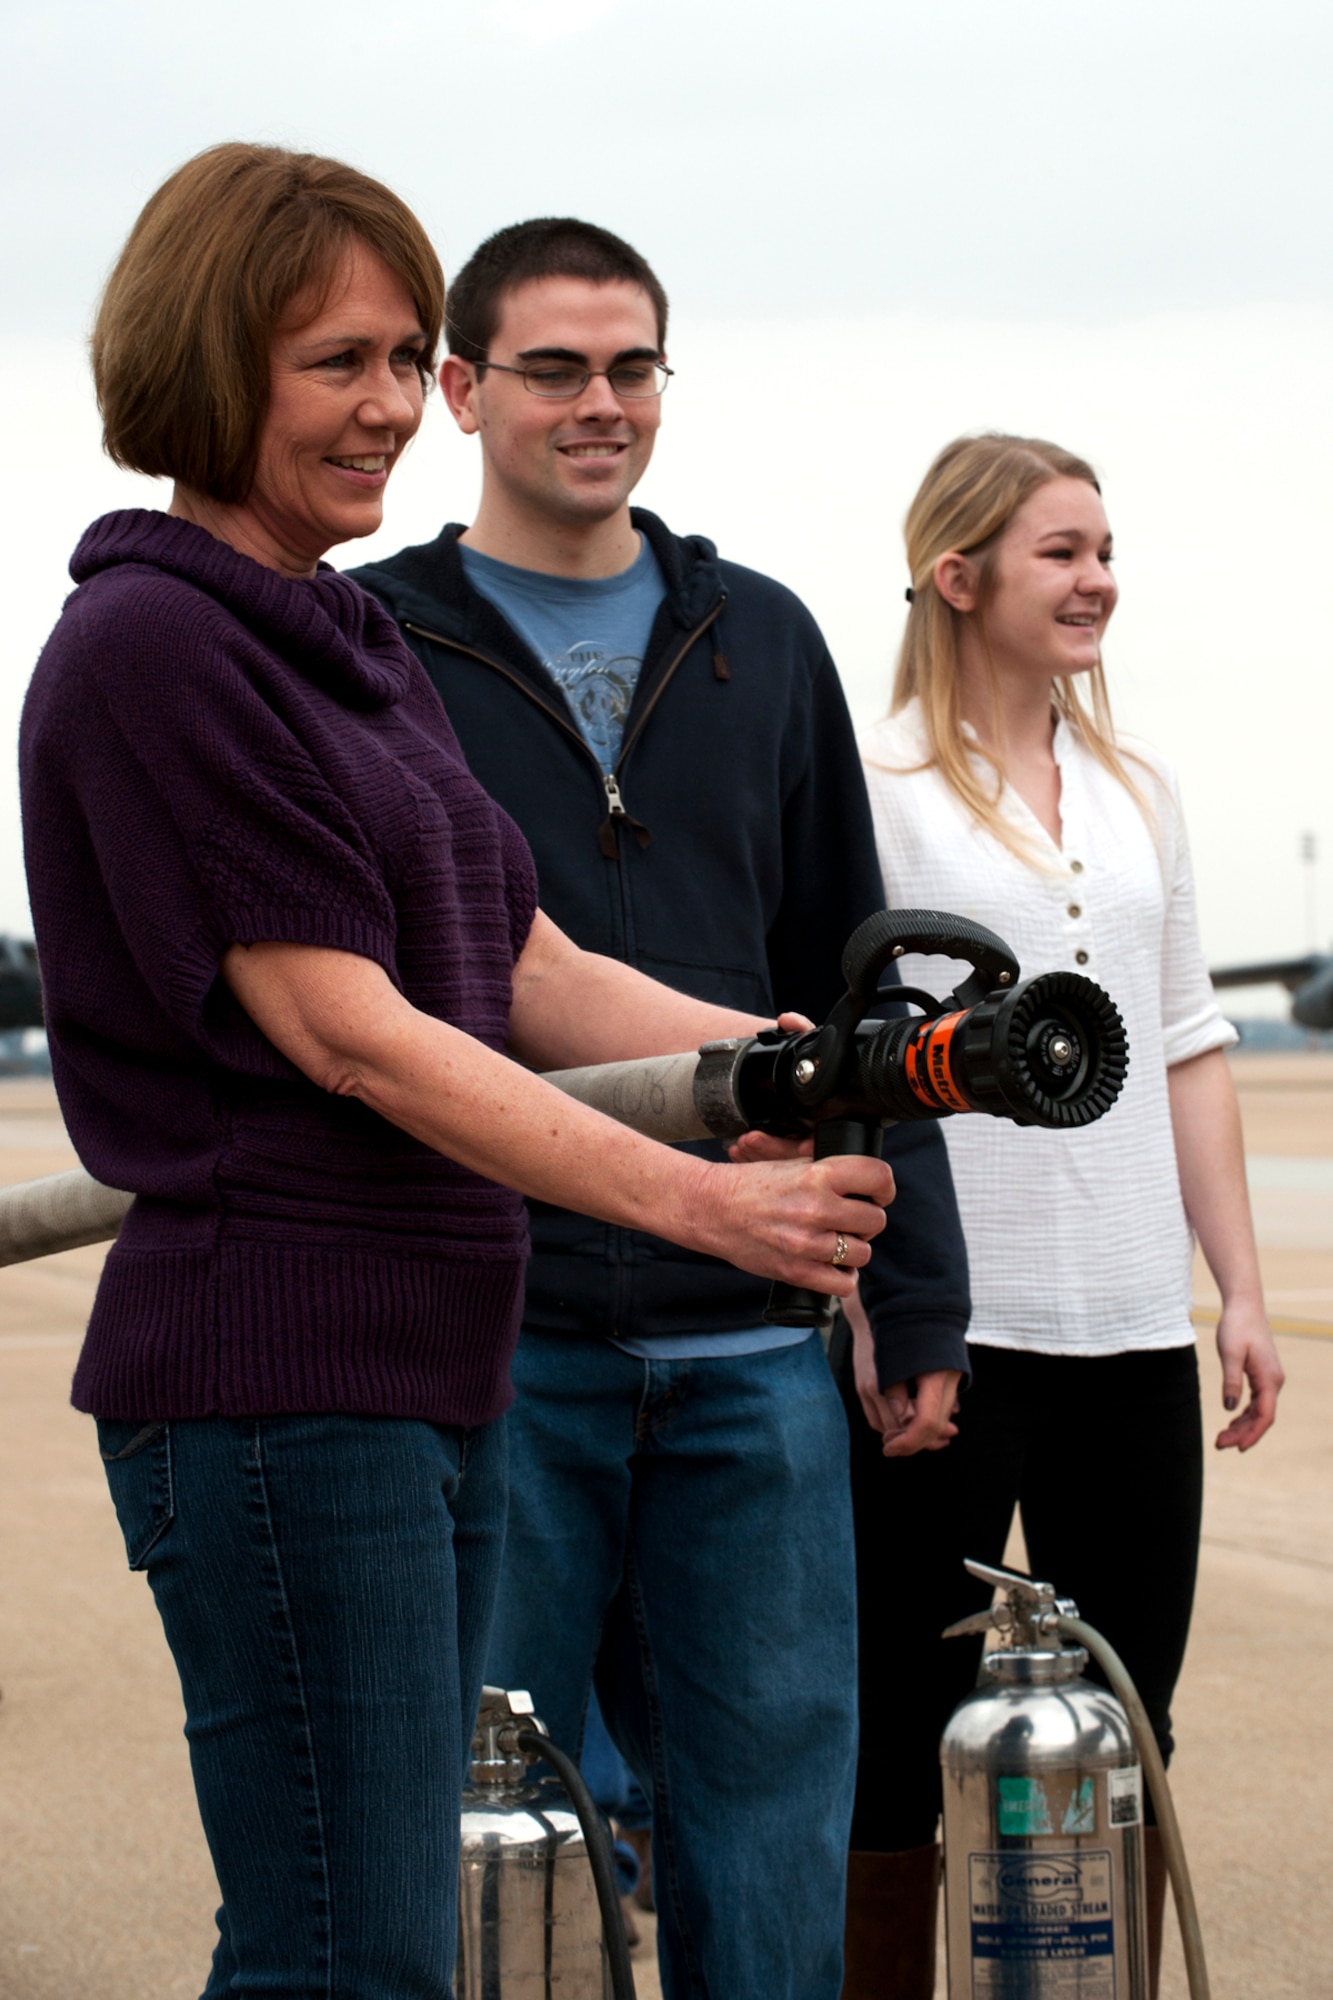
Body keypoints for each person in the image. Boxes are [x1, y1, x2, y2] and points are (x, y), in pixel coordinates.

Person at [18, 147, 897, 2000]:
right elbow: (354, 1031)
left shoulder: (342, 640)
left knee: (386, 1940)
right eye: (338, 359)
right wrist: (699, 1197)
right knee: (349, 1956)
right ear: (206, 358)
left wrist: (814, 1067)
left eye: (410, 357)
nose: (392, 408)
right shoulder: (155, 643)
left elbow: (529, 967)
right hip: (280, 1379)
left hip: (427, 1365)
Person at [352, 219, 970, 2000]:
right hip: (500, 1323)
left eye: (632, 368)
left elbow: (855, 989)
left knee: (773, 1812)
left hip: (752, 1341)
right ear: (463, 390)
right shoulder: (374, 645)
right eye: (554, 368)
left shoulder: (757, 636)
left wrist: (907, 1284)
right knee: (488, 1814)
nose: (599, 404)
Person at [840, 432, 1285, 1999]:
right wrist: (869, 1309)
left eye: (1104, 549)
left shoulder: (1137, 787)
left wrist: (1234, 1288)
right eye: (1060, 551)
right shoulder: (876, 784)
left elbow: (1186, 1047)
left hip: (1123, 1332)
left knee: (1123, 1728)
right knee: (896, 1742)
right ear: (957, 577)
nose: (1097, 579)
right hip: (953, 1336)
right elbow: (856, 1073)